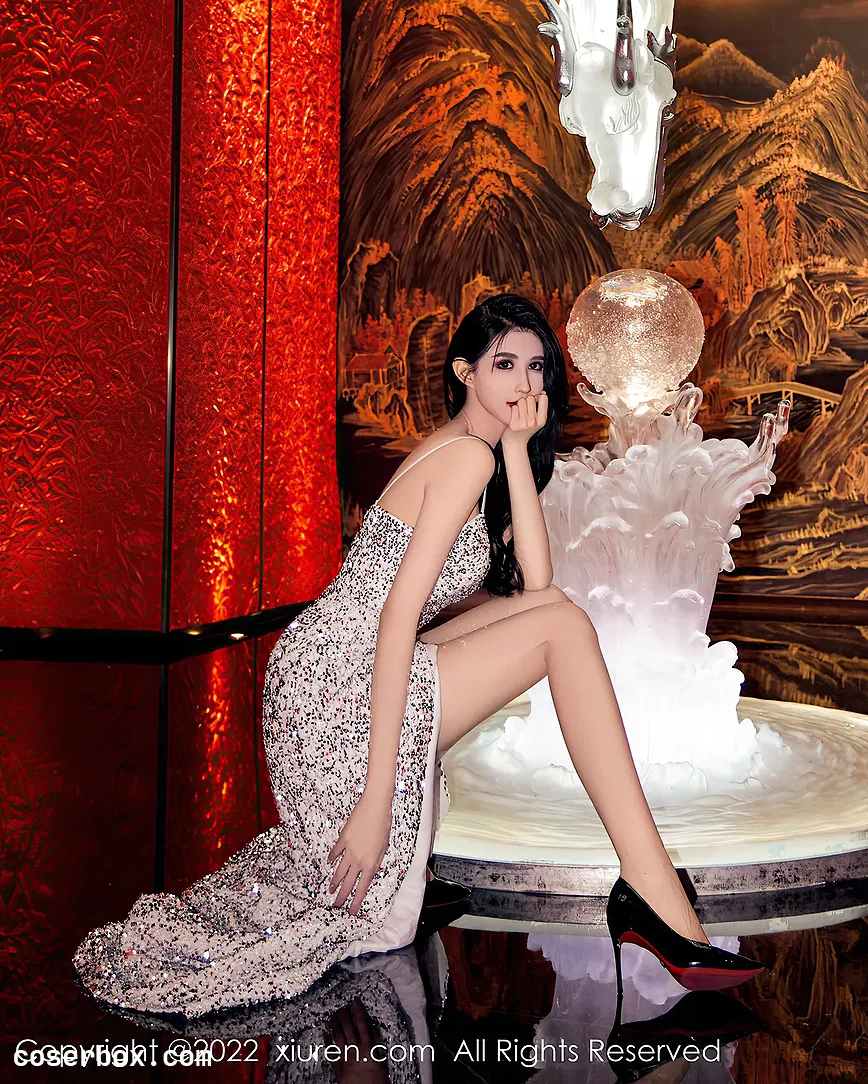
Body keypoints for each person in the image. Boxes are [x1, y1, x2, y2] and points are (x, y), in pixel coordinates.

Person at [74, 292, 760, 1018]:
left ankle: (642, 880)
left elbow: (538, 584)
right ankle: (649, 884)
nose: (524, 382)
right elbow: (399, 618)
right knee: (561, 631)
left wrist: (517, 452)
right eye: (504, 364)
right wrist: (377, 803)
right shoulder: (464, 458)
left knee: (559, 616)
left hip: (327, 661)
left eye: (536, 367)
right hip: (340, 680)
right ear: (466, 371)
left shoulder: (475, 451)